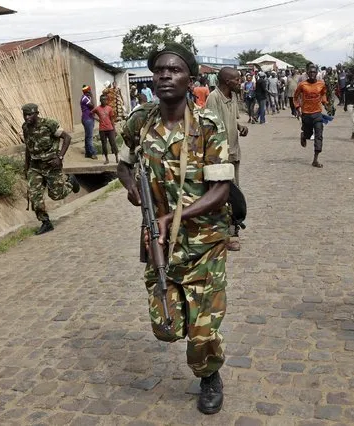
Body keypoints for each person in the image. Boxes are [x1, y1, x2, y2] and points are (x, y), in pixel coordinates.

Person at [116, 42, 233, 415]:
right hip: (158, 243)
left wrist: (172, 217)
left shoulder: (208, 126)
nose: (165, 75)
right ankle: (195, 347)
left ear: (190, 79)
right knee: (166, 327)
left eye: (175, 70)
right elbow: (122, 164)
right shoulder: (140, 121)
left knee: (202, 330)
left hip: (204, 243)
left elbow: (221, 190)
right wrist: (132, 188)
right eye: (160, 70)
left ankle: (209, 377)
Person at [206, 67, 249, 251]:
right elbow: (210, 125)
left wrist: (239, 127)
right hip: (221, 156)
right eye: (237, 80)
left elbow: (229, 119)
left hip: (234, 152)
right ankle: (228, 234)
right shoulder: (213, 98)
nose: (241, 83)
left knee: (234, 192)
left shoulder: (233, 97)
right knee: (225, 195)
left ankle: (232, 228)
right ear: (227, 81)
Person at [22, 103, 80, 235]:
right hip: (35, 166)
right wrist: (26, 166)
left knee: (56, 195)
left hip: (51, 165)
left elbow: (67, 137)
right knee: (34, 196)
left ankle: (71, 182)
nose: (27, 117)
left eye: (30, 114)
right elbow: (28, 147)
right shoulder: (25, 128)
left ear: (37, 113)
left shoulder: (49, 124)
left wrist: (60, 157)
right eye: (25, 115)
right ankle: (45, 222)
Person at [294, 64, 328, 168]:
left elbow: (323, 94)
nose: (312, 74)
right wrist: (297, 108)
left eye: (314, 72)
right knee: (308, 134)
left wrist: (325, 102)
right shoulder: (302, 85)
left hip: (317, 113)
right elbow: (295, 97)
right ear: (307, 73)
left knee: (319, 135)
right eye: (310, 72)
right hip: (306, 114)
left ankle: (315, 159)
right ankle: (304, 135)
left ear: (317, 73)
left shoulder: (321, 84)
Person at [91, 95, 118, 164]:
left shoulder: (109, 108)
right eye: (102, 100)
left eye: (105, 100)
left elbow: (112, 120)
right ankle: (106, 159)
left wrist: (114, 130)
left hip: (110, 129)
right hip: (102, 129)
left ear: (107, 101)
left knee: (113, 143)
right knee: (104, 144)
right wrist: (97, 119)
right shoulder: (97, 108)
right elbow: (91, 113)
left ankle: (116, 157)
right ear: (100, 100)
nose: (104, 101)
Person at [80, 85, 98, 160]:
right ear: (87, 91)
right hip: (88, 119)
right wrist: (92, 96)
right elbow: (93, 105)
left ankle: (87, 153)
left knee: (87, 136)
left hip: (88, 118)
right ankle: (92, 153)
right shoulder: (85, 99)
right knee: (90, 137)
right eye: (90, 90)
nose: (91, 91)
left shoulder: (86, 98)